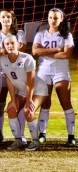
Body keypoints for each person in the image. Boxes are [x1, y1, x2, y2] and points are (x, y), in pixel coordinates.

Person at [32, 8, 76, 146]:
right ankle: (42, 134)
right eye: (50, 17)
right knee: (45, 103)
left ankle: (71, 136)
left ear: (61, 19)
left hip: (60, 72)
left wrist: (44, 52)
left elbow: (65, 55)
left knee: (65, 103)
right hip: (43, 72)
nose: (53, 20)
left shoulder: (66, 35)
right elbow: (34, 51)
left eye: (56, 18)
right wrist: (56, 49)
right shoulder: (40, 34)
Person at [0, 34, 48, 151]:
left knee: (28, 110)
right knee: (11, 109)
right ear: (4, 46)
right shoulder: (2, 60)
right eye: (7, 44)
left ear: (19, 44)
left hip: (38, 89)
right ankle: (18, 140)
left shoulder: (27, 58)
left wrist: (28, 99)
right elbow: (9, 81)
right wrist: (12, 99)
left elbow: (30, 82)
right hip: (22, 90)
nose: (10, 46)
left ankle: (35, 141)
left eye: (12, 43)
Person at [0, 9, 27, 144]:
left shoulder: (20, 33)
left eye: (8, 17)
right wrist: (7, 50)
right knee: (0, 104)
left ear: (12, 19)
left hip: (18, 74)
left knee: (18, 103)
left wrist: (3, 51)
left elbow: (21, 48)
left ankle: (20, 135)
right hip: (1, 73)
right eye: (3, 17)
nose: (6, 19)